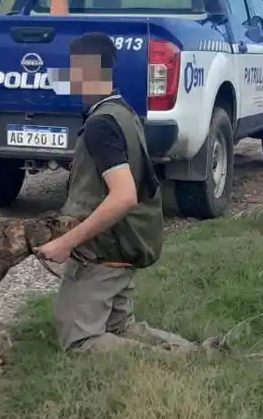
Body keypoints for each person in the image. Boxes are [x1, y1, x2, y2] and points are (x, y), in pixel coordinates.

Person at [31, 32, 196, 355]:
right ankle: (193, 353)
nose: (69, 78)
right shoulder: (123, 113)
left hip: (104, 251)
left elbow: (123, 196)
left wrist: (66, 243)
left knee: (79, 341)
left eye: (72, 69)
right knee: (120, 327)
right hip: (126, 243)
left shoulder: (100, 125)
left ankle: (170, 362)